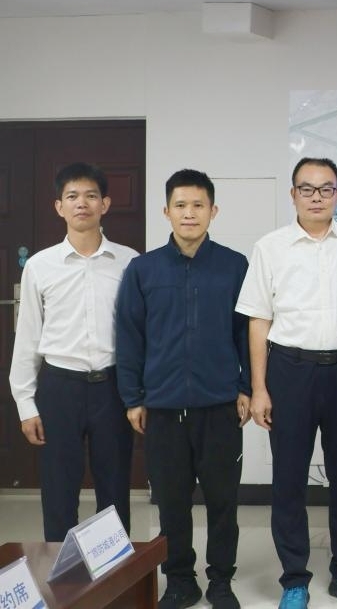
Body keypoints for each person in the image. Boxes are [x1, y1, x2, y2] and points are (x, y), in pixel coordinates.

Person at [236, 158, 337, 609]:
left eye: (326, 189)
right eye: (307, 189)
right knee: (289, 479)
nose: (317, 197)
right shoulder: (270, 247)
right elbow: (259, 320)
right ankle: (294, 578)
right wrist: (259, 387)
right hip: (289, 371)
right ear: (293, 194)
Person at [115, 169, 250, 609]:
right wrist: (133, 397)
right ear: (166, 211)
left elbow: (247, 333)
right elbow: (130, 336)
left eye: (198, 205)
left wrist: (247, 387)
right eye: (180, 205)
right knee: (172, 503)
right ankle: (179, 580)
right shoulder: (143, 269)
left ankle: (221, 581)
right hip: (163, 407)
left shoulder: (234, 266)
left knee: (223, 502)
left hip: (220, 406)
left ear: (213, 211)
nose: (189, 213)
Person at [8, 162, 138, 541]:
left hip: (112, 387)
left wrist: (139, 394)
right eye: (72, 196)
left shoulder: (130, 262)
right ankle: (63, 572)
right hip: (59, 388)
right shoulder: (40, 266)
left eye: (91, 196)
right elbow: (27, 337)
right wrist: (26, 404)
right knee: (59, 489)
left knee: (115, 487)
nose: (82, 203)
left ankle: (114, 571)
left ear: (105, 204)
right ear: (59, 207)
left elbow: (139, 333)